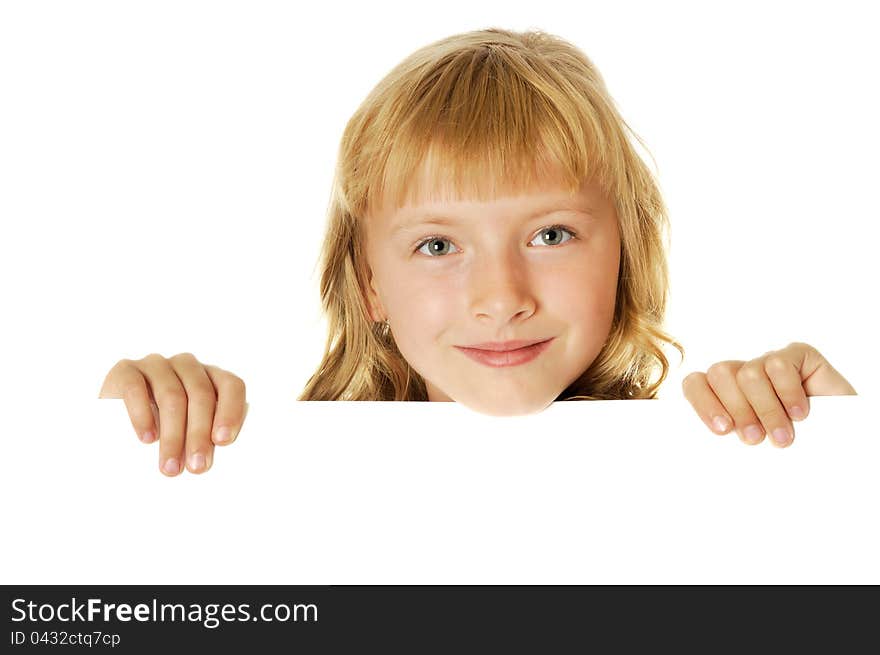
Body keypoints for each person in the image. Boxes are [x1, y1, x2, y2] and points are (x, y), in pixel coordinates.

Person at [98, 28, 857, 475]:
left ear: (625, 250)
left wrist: (832, 441)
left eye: (550, 235)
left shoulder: (705, 463)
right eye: (436, 244)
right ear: (369, 286)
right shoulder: (270, 466)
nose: (501, 296)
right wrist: (143, 422)